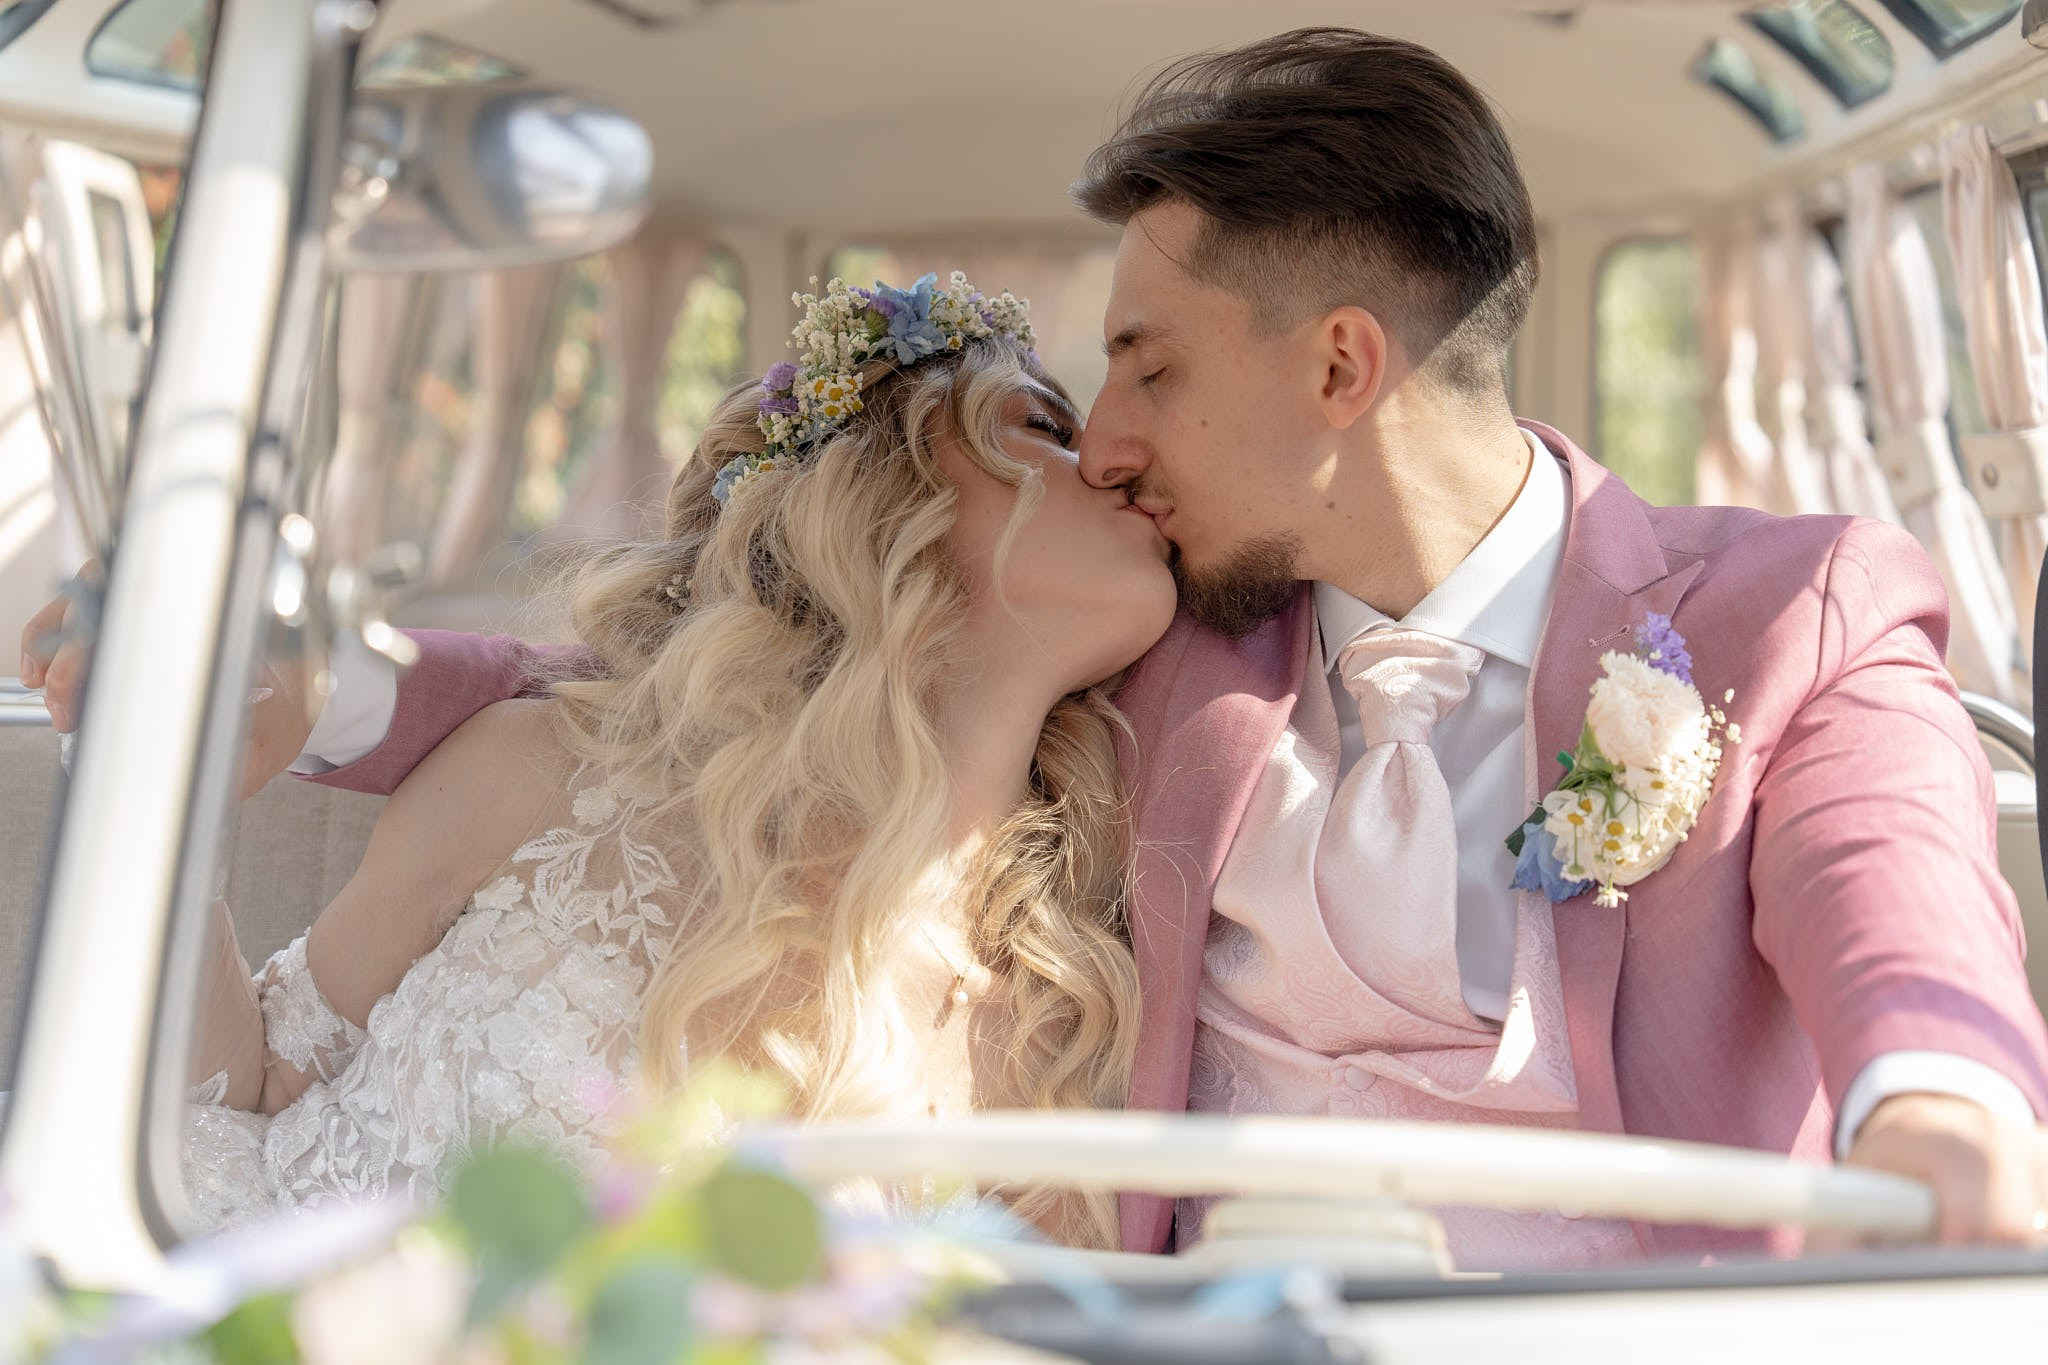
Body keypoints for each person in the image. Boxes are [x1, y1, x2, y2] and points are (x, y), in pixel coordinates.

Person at [25, 29, 2048, 1268]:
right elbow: (672, 685)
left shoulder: (1790, 615)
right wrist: (314, 684)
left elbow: (1909, 932)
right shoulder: (1171, 663)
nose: (1118, 442)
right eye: (1073, 412)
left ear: (1339, 365)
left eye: (1145, 366)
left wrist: (1939, 1121)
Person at [160, 274, 1176, 1245]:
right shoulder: (548, 772)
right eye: (1046, 428)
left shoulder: (1069, 1009)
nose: (1117, 462)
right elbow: (246, 1099)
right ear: (886, 495)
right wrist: (172, 784)